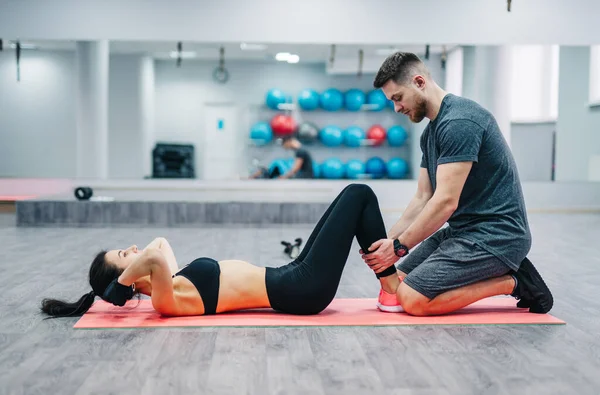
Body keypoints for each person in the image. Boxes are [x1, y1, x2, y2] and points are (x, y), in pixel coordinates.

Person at [361, 51, 553, 316]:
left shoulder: (460, 122)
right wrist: (389, 242)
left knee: (413, 300)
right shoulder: (430, 133)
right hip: (463, 232)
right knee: (398, 281)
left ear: (419, 82)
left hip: (498, 235)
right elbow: (423, 197)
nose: (397, 108)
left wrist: (399, 247)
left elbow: (445, 202)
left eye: (398, 98)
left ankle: (514, 281)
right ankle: (501, 272)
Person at [40, 184, 403, 318]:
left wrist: (124, 278)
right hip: (301, 289)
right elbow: (151, 255)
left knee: (350, 196)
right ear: (126, 277)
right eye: (123, 254)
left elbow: (159, 245)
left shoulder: (170, 280)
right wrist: (121, 285)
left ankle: (389, 285)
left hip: (294, 275)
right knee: (359, 195)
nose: (133, 249)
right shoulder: (165, 302)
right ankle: (390, 288)